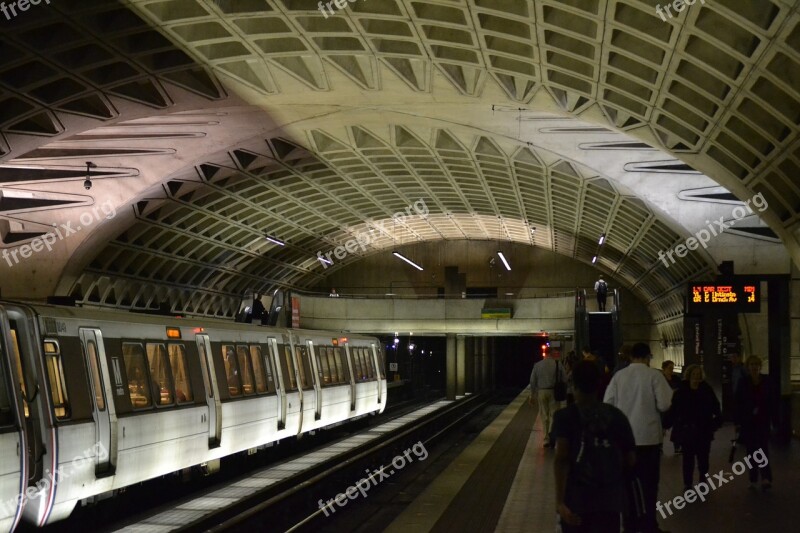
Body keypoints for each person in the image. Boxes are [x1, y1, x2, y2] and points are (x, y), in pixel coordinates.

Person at [553, 360, 636, 533]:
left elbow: (562, 458)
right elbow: (630, 459)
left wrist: (560, 502)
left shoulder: (565, 416)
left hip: (577, 500)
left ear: (573, 384)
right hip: (609, 501)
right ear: (599, 384)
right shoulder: (617, 416)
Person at [604, 342, 673, 533]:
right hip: (649, 439)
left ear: (631, 356)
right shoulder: (654, 375)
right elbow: (665, 404)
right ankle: (649, 524)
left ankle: (629, 524)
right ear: (647, 357)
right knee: (650, 485)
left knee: (626, 484)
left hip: (624, 441)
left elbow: (607, 403)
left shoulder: (619, 376)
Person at [670, 364, 721, 491]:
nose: (696, 377)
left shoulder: (706, 389)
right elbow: (674, 409)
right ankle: (688, 483)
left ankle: (703, 478)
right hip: (687, 429)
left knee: (703, 457)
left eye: (698, 375)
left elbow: (715, 406)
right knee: (688, 458)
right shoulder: (681, 391)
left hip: (703, 429)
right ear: (689, 376)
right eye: (694, 375)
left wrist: (716, 422)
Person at [734, 355, 773, 490]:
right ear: (748, 367)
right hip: (748, 421)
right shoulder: (743, 382)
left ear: (759, 366)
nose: (754, 367)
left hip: (763, 419)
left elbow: (771, 400)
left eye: (756, 364)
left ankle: (766, 477)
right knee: (751, 450)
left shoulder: (766, 380)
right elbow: (738, 402)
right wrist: (738, 422)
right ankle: (753, 477)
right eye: (752, 364)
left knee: (763, 448)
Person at [529, 352, 565, 448]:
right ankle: (552, 436)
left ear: (545, 355)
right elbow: (564, 379)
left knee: (544, 415)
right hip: (554, 392)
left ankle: (546, 439)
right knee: (554, 414)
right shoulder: (558, 364)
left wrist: (532, 395)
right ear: (552, 355)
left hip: (542, 391)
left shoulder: (537, 365)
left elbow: (532, 381)